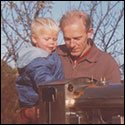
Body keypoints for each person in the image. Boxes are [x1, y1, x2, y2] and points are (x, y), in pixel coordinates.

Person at [16, 17, 64, 123]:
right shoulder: (35, 59)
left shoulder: (49, 53)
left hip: (50, 99)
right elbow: (43, 79)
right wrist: (61, 91)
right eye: (47, 39)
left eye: (55, 39)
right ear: (34, 39)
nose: (52, 43)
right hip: (37, 103)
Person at [57, 10, 121, 83]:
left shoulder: (106, 63)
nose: (72, 45)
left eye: (77, 39)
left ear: (89, 33)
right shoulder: (54, 56)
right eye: (67, 39)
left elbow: (115, 93)